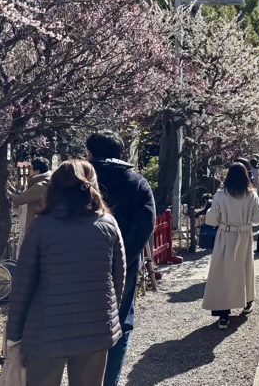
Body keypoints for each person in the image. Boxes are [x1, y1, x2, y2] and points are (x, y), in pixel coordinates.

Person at [7, 159, 126, 386]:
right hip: (96, 327)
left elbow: (23, 284)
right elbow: (118, 278)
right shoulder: (108, 224)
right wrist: (109, 317)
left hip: (46, 330)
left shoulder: (41, 227)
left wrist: (14, 334)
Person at [87, 131, 156, 386]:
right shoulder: (136, 182)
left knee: (82, 323)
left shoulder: (81, 182)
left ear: (90, 154)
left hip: (83, 263)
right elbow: (146, 224)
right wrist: (126, 254)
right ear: (121, 153)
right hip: (124, 265)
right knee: (121, 323)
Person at [202, 163, 259, 329]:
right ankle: (246, 302)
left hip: (225, 235)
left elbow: (211, 219)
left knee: (223, 273)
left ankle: (223, 315)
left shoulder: (220, 194)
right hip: (244, 235)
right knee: (245, 270)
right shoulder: (250, 194)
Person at [9, 157, 52, 234]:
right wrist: (10, 188)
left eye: (31, 168)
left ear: (37, 171)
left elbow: (20, 199)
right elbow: (26, 195)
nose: (29, 170)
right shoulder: (45, 181)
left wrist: (3, 190)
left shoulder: (40, 185)